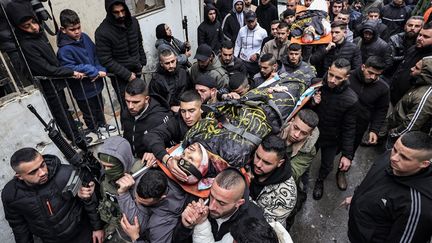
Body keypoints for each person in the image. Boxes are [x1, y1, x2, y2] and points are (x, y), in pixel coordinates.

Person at [5, 1, 87, 147]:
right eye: (27, 26)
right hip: (49, 84)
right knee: (61, 113)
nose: (34, 27)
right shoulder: (26, 44)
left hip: (56, 82)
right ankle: (77, 141)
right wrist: (70, 72)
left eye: (34, 22)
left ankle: (77, 137)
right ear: (18, 28)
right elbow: (46, 69)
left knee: (65, 110)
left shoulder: (37, 35)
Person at [2, 148, 104, 243]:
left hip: (82, 234)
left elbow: (89, 201)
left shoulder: (66, 173)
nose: (42, 173)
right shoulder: (11, 195)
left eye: (42, 165)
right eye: (33, 172)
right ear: (19, 176)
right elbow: (18, 226)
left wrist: (97, 228)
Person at [344, 131, 432, 242]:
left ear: (424, 164)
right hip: (356, 230)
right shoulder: (391, 156)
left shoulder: (419, 208)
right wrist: (357, 196)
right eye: (395, 149)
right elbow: (373, 179)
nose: (393, 158)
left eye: (404, 157)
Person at [57, 9, 116, 136]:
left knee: (99, 106)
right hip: (82, 89)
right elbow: (69, 67)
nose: (77, 31)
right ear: (63, 30)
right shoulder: (64, 50)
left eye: (78, 27)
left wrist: (100, 69)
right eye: (72, 29)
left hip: (96, 84)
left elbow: (96, 55)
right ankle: (94, 130)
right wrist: (91, 70)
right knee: (88, 112)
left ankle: (102, 125)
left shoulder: (85, 38)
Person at [173, 168, 266, 243]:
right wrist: (185, 226)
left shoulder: (253, 220)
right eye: (212, 196)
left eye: (221, 203)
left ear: (239, 203)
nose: (211, 207)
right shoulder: (197, 201)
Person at [312, 58, 358, 200]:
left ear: (346, 77)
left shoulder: (351, 99)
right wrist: (313, 103)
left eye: (338, 77)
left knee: (327, 165)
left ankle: (320, 181)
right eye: (331, 74)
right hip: (312, 134)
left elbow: (349, 128)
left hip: (331, 138)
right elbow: (303, 108)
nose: (332, 80)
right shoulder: (317, 84)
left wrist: (347, 154)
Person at [95, 0, 147, 110]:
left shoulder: (134, 22)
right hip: (120, 78)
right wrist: (127, 75)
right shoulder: (102, 32)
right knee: (128, 108)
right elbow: (106, 60)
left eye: (123, 11)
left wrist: (142, 61)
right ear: (109, 12)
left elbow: (139, 42)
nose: (121, 15)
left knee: (141, 103)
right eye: (116, 12)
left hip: (137, 70)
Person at [116, 169, 188, 243]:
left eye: (143, 202)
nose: (136, 201)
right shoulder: (151, 173)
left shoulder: (161, 223)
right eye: (137, 197)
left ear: (161, 198)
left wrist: (135, 237)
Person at [96, 136, 143, 242]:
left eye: (111, 166)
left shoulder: (141, 177)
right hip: (117, 226)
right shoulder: (106, 175)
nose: (106, 170)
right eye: (104, 166)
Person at [142, 90, 203, 165]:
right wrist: (165, 157)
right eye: (183, 111)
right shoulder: (177, 121)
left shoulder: (214, 122)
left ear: (201, 108)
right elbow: (151, 136)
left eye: (191, 111)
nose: (187, 116)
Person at [250, 134, 297, 227]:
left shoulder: (287, 195)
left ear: (280, 163)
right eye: (258, 157)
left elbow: (266, 226)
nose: (258, 164)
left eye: (266, 163)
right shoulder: (246, 159)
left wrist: (242, 191)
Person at [121, 78, 171, 159]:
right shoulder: (126, 113)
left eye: (136, 102)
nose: (130, 106)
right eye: (127, 101)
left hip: (150, 164)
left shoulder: (160, 117)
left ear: (146, 99)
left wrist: (155, 153)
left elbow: (169, 145)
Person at [349, 56, 389, 152]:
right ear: (363, 67)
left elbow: (381, 110)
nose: (373, 77)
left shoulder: (383, 88)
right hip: (339, 121)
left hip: (359, 127)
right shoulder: (348, 76)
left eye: (377, 75)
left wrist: (374, 130)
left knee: (349, 153)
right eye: (370, 73)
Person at [388, 58, 432, 144]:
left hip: (399, 139)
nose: (412, 68)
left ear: (426, 74)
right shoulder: (421, 84)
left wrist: (392, 133)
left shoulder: (425, 98)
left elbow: (410, 126)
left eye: (417, 68)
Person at [390, 22, 432, 106]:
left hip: (407, 103)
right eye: (420, 35)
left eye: (426, 37)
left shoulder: (430, 61)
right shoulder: (413, 48)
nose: (420, 38)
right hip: (394, 97)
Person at [234, 10, 268, 78]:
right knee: (242, 79)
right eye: (249, 22)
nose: (251, 24)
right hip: (242, 61)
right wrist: (234, 58)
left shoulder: (262, 32)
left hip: (255, 63)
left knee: (255, 79)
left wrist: (257, 54)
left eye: (252, 21)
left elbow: (265, 47)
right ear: (245, 21)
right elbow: (238, 44)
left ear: (256, 20)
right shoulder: (242, 30)